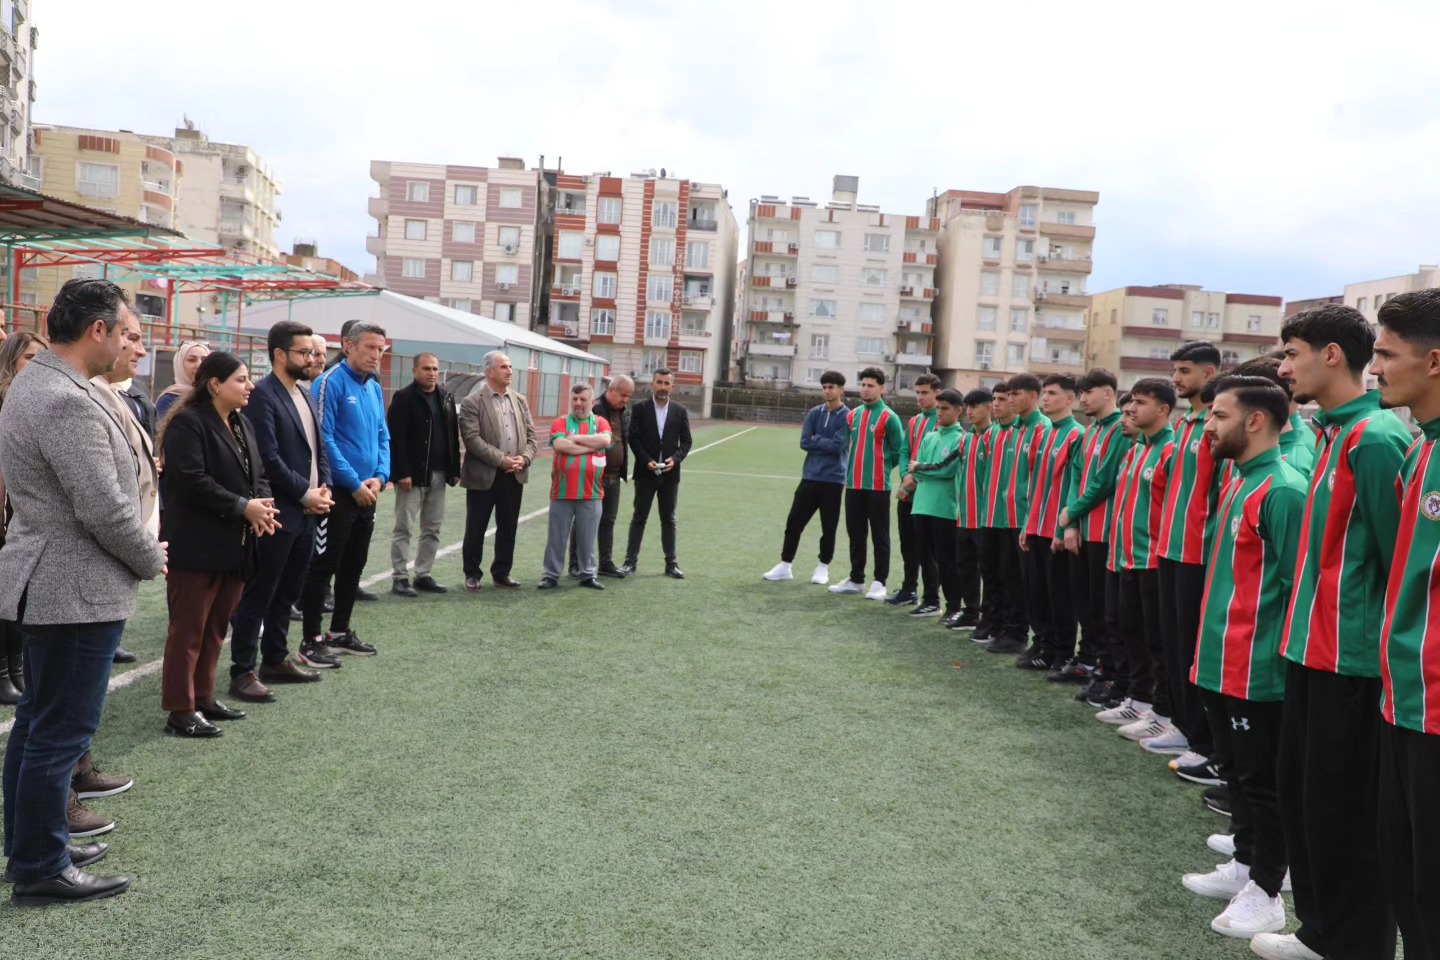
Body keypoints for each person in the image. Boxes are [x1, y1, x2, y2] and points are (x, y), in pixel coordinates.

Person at [0, 278, 166, 906]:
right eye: (124, 330)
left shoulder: (44, 383)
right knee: (58, 732)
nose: (129, 342)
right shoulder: (64, 397)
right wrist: (151, 556)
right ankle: (42, 865)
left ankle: (33, 848)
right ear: (96, 330)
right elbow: (103, 508)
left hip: (57, 579)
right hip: (70, 585)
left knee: (38, 725)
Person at [1266, 303, 1409, 960]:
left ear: (1330, 355)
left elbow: (1397, 560)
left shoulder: (1378, 439)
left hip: (1350, 663)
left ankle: (1354, 945)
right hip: (1307, 650)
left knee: (1346, 815)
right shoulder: (1334, 435)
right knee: (1306, 802)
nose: (1282, 365)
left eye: (1291, 352)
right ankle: (1321, 932)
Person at [1182, 376, 1308, 940]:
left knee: (1262, 782)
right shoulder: (1240, 482)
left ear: (1255, 421)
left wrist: (1273, 661)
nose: (1208, 425)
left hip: (1256, 670)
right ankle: (1243, 862)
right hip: (1218, 659)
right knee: (1234, 771)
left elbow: (1298, 588)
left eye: (1218, 415)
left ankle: (1267, 889)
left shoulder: (1284, 488)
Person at [1370, 288, 1440, 960]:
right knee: (1408, 879)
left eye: (1387, 354)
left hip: (1437, 714)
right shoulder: (1420, 450)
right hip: (1403, 701)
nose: (1376, 368)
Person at [159, 352, 279, 737]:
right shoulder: (187, 423)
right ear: (215, 384)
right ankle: (181, 709)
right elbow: (192, 479)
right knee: (189, 630)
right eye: (242, 380)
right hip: (196, 545)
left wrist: (262, 507)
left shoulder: (241, 422)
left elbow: (258, 474)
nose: (250, 386)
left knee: (215, 628)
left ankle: (204, 697)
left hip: (235, 545)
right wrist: (244, 506)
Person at [228, 321, 333, 700]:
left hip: (305, 512)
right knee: (260, 593)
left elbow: (318, 447)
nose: (312, 358)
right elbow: (267, 457)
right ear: (279, 355)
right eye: (304, 353)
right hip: (279, 512)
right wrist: (304, 494)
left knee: (287, 593)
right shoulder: (263, 395)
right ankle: (242, 671)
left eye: (313, 352)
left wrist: (324, 487)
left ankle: (275, 658)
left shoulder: (303, 394)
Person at [1149, 342, 1223, 761]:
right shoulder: (1187, 426)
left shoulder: (1215, 427)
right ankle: (1181, 723)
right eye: (1175, 370)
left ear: (1210, 374)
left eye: (1185, 371)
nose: (1176, 379)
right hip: (1172, 549)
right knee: (1174, 643)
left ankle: (1201, 736)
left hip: (1199, 553)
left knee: (1192, 647)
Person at [300, 322, 390, 659]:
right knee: (324, 565)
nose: (375, 355)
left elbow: (383, 435)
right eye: (369, 347)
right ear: (348, 346)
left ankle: (339, 631)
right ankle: (311, 639)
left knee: (354, 564)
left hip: (369, 492)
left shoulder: (374, 388)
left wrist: (380, 477)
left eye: (380, 349)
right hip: (338, 493)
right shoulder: (329, 382)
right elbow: (324, 440)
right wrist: (352, 483)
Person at [1097, 379, 1177, 745]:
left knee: (1155, 638)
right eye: (1130, 404)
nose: (1131, 411)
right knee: (1128, 629)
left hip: (1153, 560)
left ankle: (1161, 711)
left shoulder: (1170, 450)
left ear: (1163, 409)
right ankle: (1139, 698)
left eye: (1140, 404)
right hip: (1126, 556)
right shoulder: (1135, 450)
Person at [1056, 370, 1129, 695]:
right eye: (1080, 392)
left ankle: (1107, 670)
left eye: (1089, 392)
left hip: (1105, 534)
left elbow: (1103, 481)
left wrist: (1071, 513)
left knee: (1103, 608)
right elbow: (1075, 477)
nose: (1083, 398)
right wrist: (1070, 524)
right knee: (1083, 603)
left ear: (1109, 393)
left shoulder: (1119, 430)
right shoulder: (1088, 433)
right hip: (1082, 531)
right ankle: (1090, 661)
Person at [1018, 374, 1083, 671]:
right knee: (1036, 591)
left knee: (1060, 595)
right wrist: (1027, 525)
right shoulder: (1044, 435)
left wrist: (1063, 528)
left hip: (1056, 530)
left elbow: (1074, 485)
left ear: (1070, 399)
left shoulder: (1076, 435)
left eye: (1052, 393)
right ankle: (1042, 642)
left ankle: (1062, 651)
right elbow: (1037, 484)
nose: (1045, 398)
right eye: (1044, 392)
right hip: (1037, 527)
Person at [458, 351, 537, 591]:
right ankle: (472, 573)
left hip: (514, 474)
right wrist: (502, 460)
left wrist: (524, 459)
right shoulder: (473, 402)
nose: (510, 371)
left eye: (511, 366)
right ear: (489, 371)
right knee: (477, 526)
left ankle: (502, 572)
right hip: (484, 475)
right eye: (504, 367)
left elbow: (532, 436)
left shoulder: (520, 400)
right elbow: (472, 439)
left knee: (508, 525)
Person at [763, 370, 850, 584]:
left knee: (828, 526)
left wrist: (817, 439)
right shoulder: (814, 413)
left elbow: (838, 446)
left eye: (831, 387)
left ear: (841, 390)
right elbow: (804, 442)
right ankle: (785, 565)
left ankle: (823, 568)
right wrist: (823, 442)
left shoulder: (848, 416)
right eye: (825, 387)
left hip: (833, 479)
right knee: (794, 522)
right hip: (810, 477)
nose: (827, 391)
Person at [387, 352, 460, 597]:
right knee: (404, 527)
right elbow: (396, 438)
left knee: (432, 527)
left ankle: (423, 574)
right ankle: (399, 577)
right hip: (413, 476)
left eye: (435, 369)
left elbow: (452, 435)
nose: (431, 373)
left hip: (439, 474)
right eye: (427, 368)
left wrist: (454, 469)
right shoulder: (404, 398)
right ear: (415, 370)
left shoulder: (446, 397)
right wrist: (402, 472)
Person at [0, 331, 46, 705]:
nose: (37, 365)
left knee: (17, 602)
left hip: (21, 513)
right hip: (5, 512)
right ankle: (3, 671)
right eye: (29, 357)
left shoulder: (37, 400)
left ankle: (14, 669)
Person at [986, 375, 1048, 657]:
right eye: (1005, 395)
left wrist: (1029, 516)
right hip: (1004, 516)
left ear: (1034, 395)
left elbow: (1039, 478)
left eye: (1014, 394)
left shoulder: (1041, 428)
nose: (1009, 400)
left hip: (1025, 519)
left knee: (1024, 581)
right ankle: (1009, 630)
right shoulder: (1017, 429)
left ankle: (1021, 634)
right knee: (1006, 576)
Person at [828, 367, 902, 600]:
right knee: (856, 534)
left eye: (870, 386)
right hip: (853, 486)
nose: (865, 389)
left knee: (880, 537)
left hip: (878, 487)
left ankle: (880, 582)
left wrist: (884, 468)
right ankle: (856, 579)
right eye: (863, 385)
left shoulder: (890, 417)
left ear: (882, 388)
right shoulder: (853, 415)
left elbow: (899, 450)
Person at [539, 384, 612, 590]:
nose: (578, 403)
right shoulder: (561, 422)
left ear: (592, 402)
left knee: (588, 537)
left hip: (592, 491)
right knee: (557, 536)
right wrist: (591, 447)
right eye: (575, 399)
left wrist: (578, 439)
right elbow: (560, 445)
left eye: (583, 399)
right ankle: (551, 575)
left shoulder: (600, 422)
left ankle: (587, 574)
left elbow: (605, 440)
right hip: (562, 490)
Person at [623, 367, 693, 579]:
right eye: (659, 382)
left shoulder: (680, 411)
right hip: (645, 473)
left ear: (672, 387)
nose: (662, 387)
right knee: (639, 517)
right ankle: (630, 562)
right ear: (652, 384)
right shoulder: (640, 408)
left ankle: (671, 564)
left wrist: (675, 459)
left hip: (670, 475)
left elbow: (686, 442)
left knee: (668, 519)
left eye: (666, 383)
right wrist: (647, 461)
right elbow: (633, 437)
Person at [905, 388, 966, 619]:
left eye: (945, 409)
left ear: (959, 410)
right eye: (938, 408)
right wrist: (921, 470)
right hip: (921, 505)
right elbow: (918, 470)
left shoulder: (961, 439)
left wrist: (920, 468)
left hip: (944, 509)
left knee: (947, 560)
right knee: (925, 557)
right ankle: (930, 600)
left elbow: (946, 470)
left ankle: (954, 607)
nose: (939, 413)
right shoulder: (929, 436)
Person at [569, 374, 633, 579]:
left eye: (629, 396)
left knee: (608, 521)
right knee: (583, 520)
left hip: (614, 476)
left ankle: (605, 562)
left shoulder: (624, 412)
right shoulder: (594, 409)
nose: (626, 399)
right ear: (611, 390)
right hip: (594, 475)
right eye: (623, 395)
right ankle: (575, 564)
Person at [887, 373, 940, 605]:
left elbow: (938, 458)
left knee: (928, 549)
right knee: (907, 545)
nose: (919, 397)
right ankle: (909, 589)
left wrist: (915, 479)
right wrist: (906, 477)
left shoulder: (944, 420)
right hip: (906, 493)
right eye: (917, 392)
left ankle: (932, 596)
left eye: (924, 392)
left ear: (937, 393)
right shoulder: (915, 421)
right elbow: (904, 451)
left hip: (928, 494)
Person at [951, 389, 997, 633]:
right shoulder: (966, 439)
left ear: (989, 408)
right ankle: (970, 612)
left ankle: (988, 619)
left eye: (975, 406)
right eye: (967, 406)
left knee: (988, 571)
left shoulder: (994, 438)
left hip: (985, 518)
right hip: (964, 515)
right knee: (965, 566)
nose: (969, 411)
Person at [154, 339, 209, 421]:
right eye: (192, 360)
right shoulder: (169, 400)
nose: (199, 365)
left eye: (204, 360)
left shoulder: (215, 396)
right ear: (179, 366)